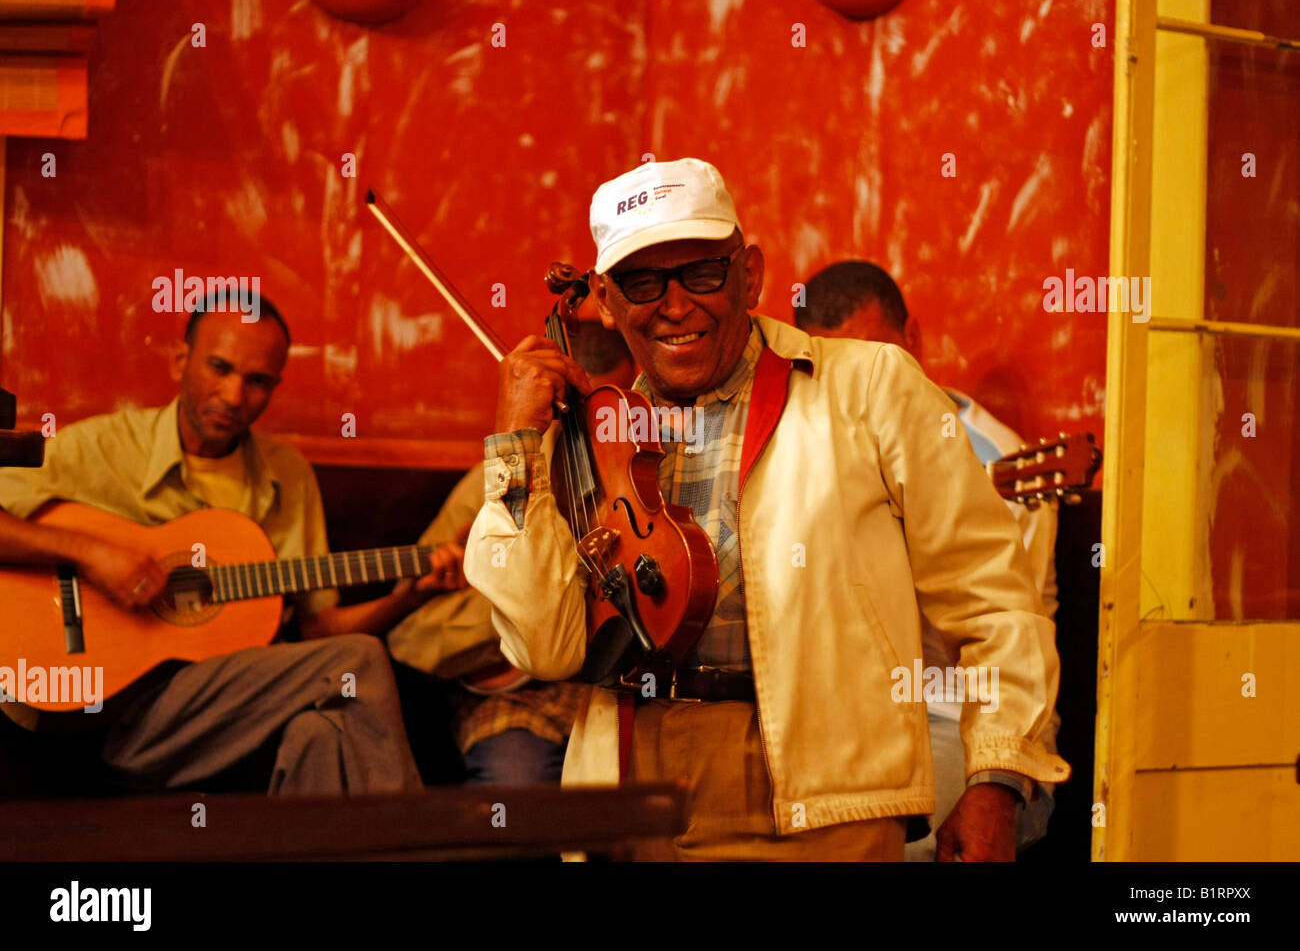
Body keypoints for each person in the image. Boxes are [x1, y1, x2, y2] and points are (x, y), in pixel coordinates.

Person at [463, 157, 1070, 860]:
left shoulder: (872, 388)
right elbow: (544, 646)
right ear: (603, 299)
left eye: (702, 272)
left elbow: (995, 602)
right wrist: (513, 450)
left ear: (749, 274)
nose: (675, 304)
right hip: (628, 791)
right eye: (642, 282)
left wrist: (997, 776)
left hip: (825, 793)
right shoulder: (590, 439)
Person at [0, 295, 446, 795]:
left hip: (238, 708)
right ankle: (421, 843)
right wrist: (90, 552)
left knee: (317, 734)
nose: (234, 396)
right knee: (358, 660)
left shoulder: (288, 475)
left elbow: (320, 629)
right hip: (124, 710)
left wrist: (410, 597)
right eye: (219, 367)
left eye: (258, 381)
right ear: (180, 360)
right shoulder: (102, 449)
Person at [796, 260, 1061, 860]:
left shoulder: (995, 457)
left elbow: (996, 635)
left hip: (953, 709)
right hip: (847, 716)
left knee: (882, 844)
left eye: (877, 356)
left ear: (912, 338)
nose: (860, 385)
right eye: (839, 369)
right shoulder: (802, 448)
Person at [386, 324, 637, 784]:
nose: (600, 423)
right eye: (584, 407)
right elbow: (412, 638)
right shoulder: (498, 479)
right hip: (515, 699)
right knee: (516, 780)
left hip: (615, 687)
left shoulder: (640, 469)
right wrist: (543, 598)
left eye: (617, 404)